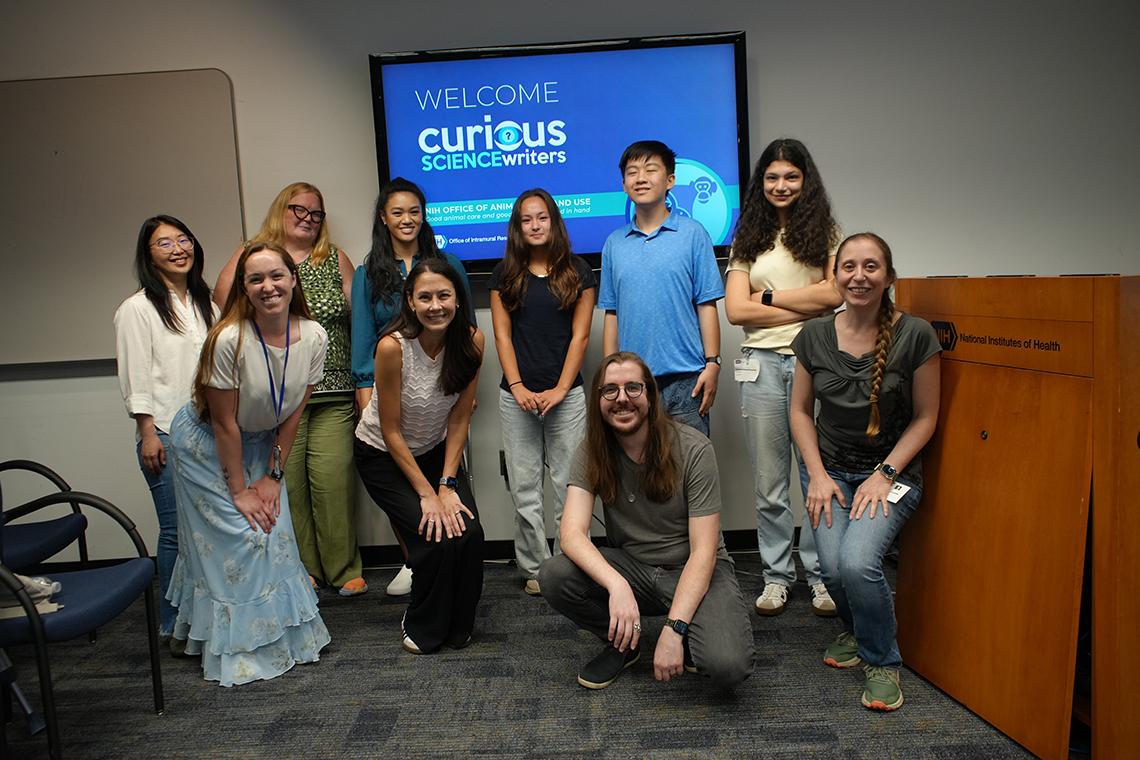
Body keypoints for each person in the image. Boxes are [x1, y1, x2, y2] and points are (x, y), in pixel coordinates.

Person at [166, 241, 332, 686]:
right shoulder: (229, 339)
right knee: (242, 537)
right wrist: (240, 490)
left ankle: (281, 640)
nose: (268, 286)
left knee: (273, 533)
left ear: (293, 280)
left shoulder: (314, 336)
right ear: (244, 287)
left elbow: (294, 411)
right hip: (208, 445)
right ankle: (234, 647)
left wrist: (274, 476)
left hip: (262, 441)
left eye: (276, 275)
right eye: (255, 279)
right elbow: (224, 425)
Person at [539, 352, 754, 690]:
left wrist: (675, 629)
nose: (622, 398)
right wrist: (617, 585)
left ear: (651, 396)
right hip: (633, 569)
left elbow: (703, 553)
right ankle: (626, 644)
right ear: (598, 400)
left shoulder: (694, 448)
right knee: (554, 575)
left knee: (726, 667)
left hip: (693, 568)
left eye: (633, 388)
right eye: (610, 390)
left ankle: (683, 628)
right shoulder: (592, 450)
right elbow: (571, 534)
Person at [789, 232, 941, 711]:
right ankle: (859, 632)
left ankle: (882, 659)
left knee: (858, 564)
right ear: (835, 277)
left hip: (890, 474)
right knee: (831, 570)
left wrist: (886, 473)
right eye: (848, 267)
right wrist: (816, 474)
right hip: (829, 470)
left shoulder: (916, 334)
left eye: (871, 266)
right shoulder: (814, 334)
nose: (859, 276)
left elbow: (927, 417)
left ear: (889, 276)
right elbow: (798, 412)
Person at [216, 183, 365, 597]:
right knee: (288, 484)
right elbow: (223, 305)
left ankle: (343, 568)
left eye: (317, 214)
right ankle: (303, 570)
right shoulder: (254, 254)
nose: (308, 218)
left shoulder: (335, 259)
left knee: (332, 480)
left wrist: (364, 381)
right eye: (299, 209)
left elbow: (361, 319)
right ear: (281, 209)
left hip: (335, 390)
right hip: (275, 399)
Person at [725, 138, 844, 618]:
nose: (780, 185)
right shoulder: (746, 235)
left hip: (815, 363)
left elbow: (835, 297)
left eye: (790, 176)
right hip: (761, 366)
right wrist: (806, 295)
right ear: (761, 183)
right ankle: (777, 577)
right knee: (769, 481)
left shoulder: (827, 231)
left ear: (805, 180)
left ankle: (822, 576)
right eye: (772, 177)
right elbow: (736, 310)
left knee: (816, 474)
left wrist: (769, 298)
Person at [353, 258, 485, 654]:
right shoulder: (391, 347)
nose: (435, 305)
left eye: (444, 295)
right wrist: (427, 494)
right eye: (424, 297)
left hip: (435, 451)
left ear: (457, 300)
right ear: (410, 302)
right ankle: (423, 622)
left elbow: (460, 418)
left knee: (469, 532)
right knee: (434, 536)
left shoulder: (473, 340)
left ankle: (458, 624)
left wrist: (446, 484)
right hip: (382, 456)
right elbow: (390, 430)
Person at [351, 177, 473, 597]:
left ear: (424, 216)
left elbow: (467, 333)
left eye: (414, 211)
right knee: (403, 491)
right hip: (390, 397)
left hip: (441, 398)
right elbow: (365, 343)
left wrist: (461, 397)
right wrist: (368, 402)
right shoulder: (369, 272)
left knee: (447, 492)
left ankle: (438, 568)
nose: (407, 219)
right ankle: (416, 562)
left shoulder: (448, 263)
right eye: (397, 212)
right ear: (384, 219)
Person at [114, 215, 218, 648]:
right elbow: (135, 376)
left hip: (209, 429)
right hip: (166, 433)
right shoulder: (136, 308)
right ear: (148, 254)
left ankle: (202, 617)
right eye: (164, 243)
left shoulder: (204, 302)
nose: (178, 248)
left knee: (208, 531)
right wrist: (147, 432)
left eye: (183, 239)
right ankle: (171, 621)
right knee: (176, 530)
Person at [488, 188, 596, 596]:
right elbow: (501, 336)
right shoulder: (504, 276)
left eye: (542, 218)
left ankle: (570, 562)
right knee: (525, 485)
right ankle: (535, 568)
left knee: (570, 483)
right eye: (526, 220)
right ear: (517, 227)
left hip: (565, 396)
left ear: (554, 222)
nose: (534, 226)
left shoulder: (579, 272)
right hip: (516, 397)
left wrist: (560, 389)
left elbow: (581, 337)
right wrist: (517, 386)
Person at [599, 140, 724, 436]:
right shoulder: (614, 244)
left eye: (650, 169)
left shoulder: (693, 234)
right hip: (631, 384)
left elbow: (706, 304)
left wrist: (713, 363)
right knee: (638, 475)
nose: (640, 178)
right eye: (632, 172)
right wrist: (609, 374)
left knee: (690, 472)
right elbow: (612, 314)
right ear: (624, 184)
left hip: (687, 380)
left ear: (670, 180)